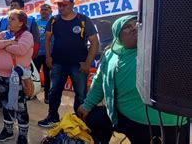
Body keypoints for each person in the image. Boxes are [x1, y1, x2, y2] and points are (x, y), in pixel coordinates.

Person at [77, 16, 190, 144]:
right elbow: (99, 81)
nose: (134, 28)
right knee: (94, 118)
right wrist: (87, 106)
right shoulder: (110, 54)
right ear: (117, 35)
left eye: (136, 24)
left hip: (164, 122)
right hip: (123, 116)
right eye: (127, 26)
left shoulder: (159, 48)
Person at [38, 0, 99, 128]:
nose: (61, 7)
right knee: (54, 91)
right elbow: (47, 40)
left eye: (64, 5)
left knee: (81, 94)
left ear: (72, 4)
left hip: (78, 65)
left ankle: (80, 122)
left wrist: (88, 63)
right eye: (59, 5)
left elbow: (94, 42)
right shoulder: (54, 20)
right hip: (58, 63)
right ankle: (52, 117)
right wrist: (48, 57)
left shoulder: (83, 20)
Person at [0, 10, 34, 144]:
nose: (9, 21)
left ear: (21, 23)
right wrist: (9, 42)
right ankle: (8, 130)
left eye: (13, 19)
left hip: (17, 77)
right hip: (1, 76)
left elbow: (21, 49)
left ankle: (22, 135)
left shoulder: (27, 35)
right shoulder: (4, 33)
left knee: (20, 106)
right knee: (5, 104)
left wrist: (3, 45)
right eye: (9, 18)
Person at [34, 3, 53, 104]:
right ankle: (33, 94)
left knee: (47, 76)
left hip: (49, 54)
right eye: (42, 10)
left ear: (51, 11)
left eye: (46, 9)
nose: (44, 11)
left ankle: (47, 97)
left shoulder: (54, 22)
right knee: (35, 75)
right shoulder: (35, 23)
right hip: (37, 54)